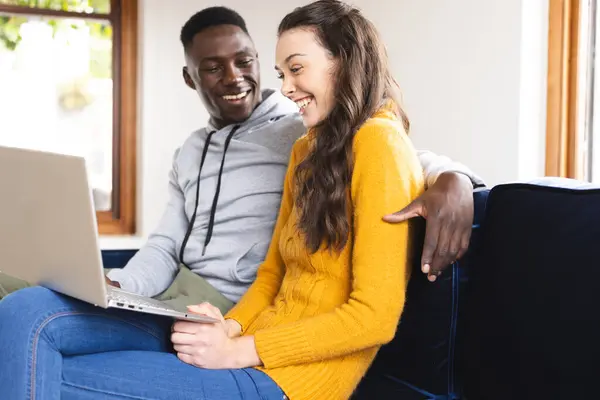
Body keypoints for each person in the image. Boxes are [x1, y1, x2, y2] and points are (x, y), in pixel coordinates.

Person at [0, 3, 482, 399]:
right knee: (22, 310)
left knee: (47, 372)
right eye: (283, 72)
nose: (285, 85)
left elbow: (374, 315)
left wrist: (455, 178)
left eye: (295, 69)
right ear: (191, 78)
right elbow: (270, 272)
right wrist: (227, 328)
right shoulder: (304, 148)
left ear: (346, 60)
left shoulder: (355, 139)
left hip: (292, 376)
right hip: (227, 328)